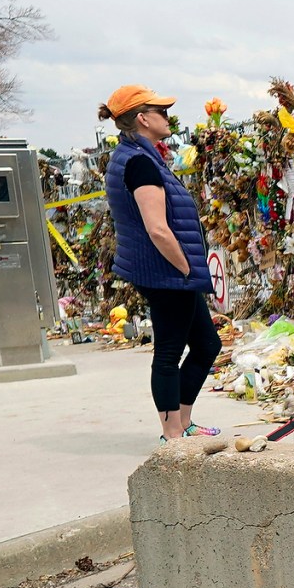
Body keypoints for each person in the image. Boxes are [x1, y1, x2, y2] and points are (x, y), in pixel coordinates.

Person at [99, 86, 219, 442]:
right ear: (142, 118)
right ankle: (172, 433)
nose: (167, 118)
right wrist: (184, 267)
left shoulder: (139, 156)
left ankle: (182, 422)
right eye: (161, 112)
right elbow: (157, 228)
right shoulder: (140, 163)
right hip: (165, 272)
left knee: (207, 344)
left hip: (167, 271)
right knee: (168, 351)